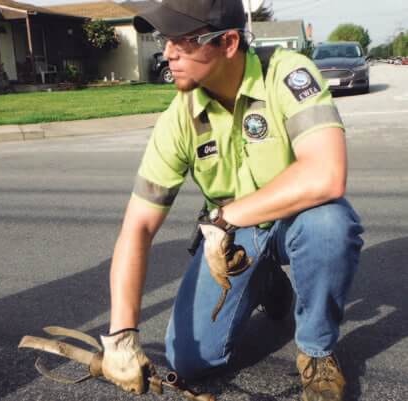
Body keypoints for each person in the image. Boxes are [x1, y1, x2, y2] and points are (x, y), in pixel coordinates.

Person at [99, 1, 364, 401]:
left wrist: (227, 215)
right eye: (165, 40)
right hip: (234, 240)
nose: (169, 53)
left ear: (228, 42)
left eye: (185, 41)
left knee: (330, 225)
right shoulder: (180, 117)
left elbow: (326, 174)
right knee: (189, 361)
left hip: (294, 219)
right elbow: (137, 226)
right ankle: (267, 281)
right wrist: (121, 334)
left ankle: (316, 352)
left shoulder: (286, 74)